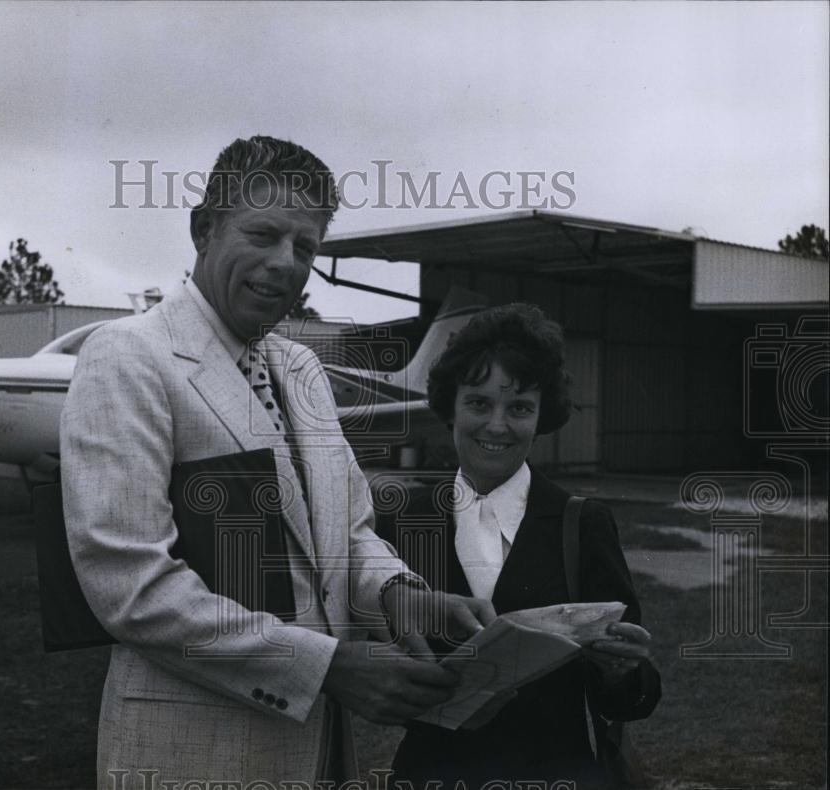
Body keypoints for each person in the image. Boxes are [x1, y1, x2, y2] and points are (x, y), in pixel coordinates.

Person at [60, 136, 494, 787]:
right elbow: (130, 585)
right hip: (194, 756)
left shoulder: (302, 370)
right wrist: (327, 668)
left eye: (306, 247)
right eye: (263, 234)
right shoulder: (128, 356)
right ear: (203, 229)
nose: (284, 263)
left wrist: (404, 596)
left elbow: (348, 534)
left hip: (315, 754)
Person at [378, 303, 662, 789]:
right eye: (479, 403)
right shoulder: (403, 520)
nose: (497, 425)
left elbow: (632, 698)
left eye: (519, 408)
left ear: (541, 415)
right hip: (432, 775)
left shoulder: (583, 523)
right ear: (450, 407)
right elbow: (373, 663)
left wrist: (621, 672)